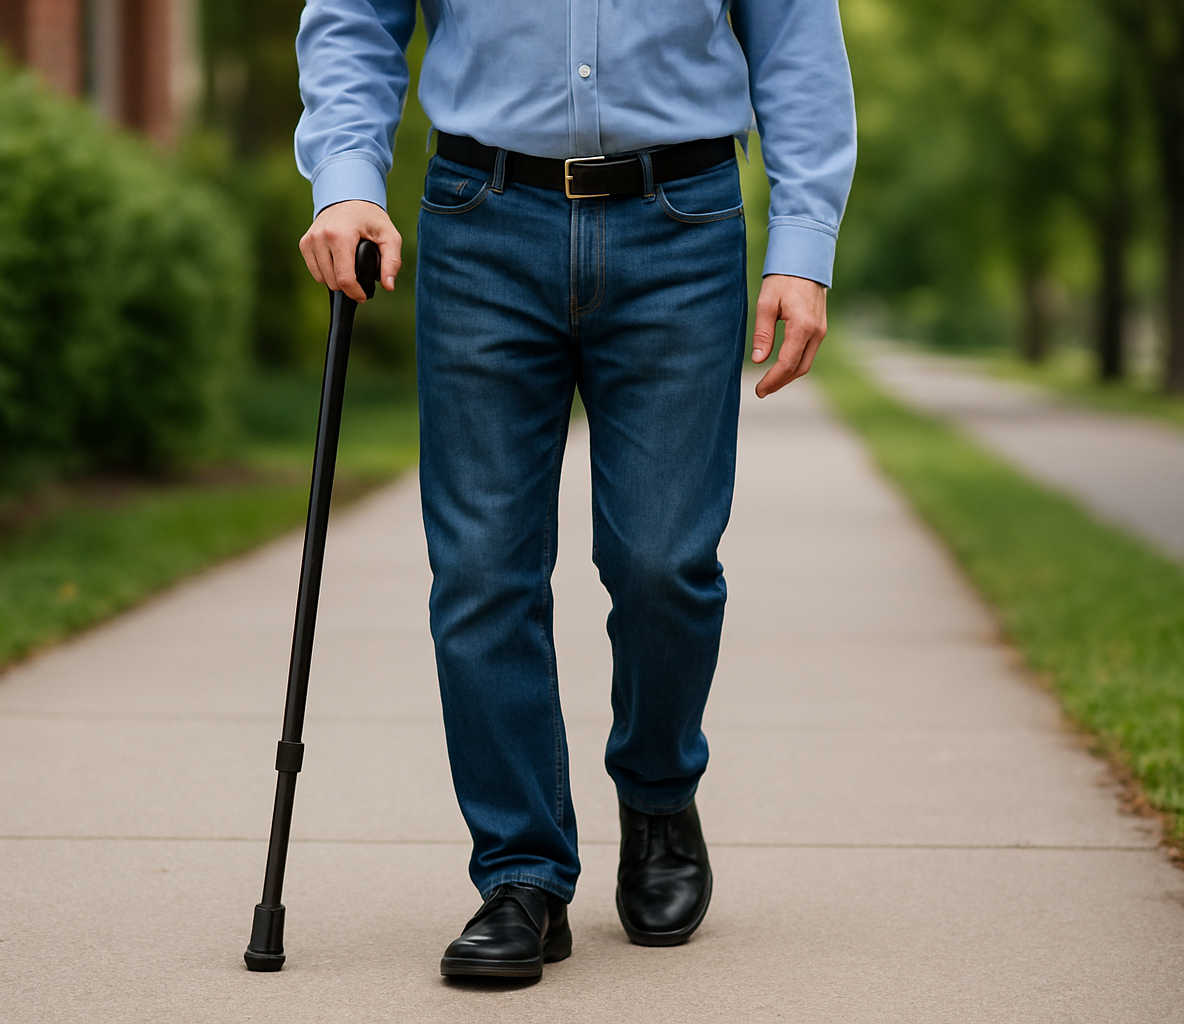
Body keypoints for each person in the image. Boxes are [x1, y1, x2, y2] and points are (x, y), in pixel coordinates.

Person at [295, 0, 855, 981]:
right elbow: (353, 15)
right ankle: (520, 875)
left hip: (682, 222)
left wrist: (804, 241)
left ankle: (657, 788)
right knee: (479, 569)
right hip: (482, 216)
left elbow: (796, 31)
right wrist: (346, 179)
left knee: (663, 561)